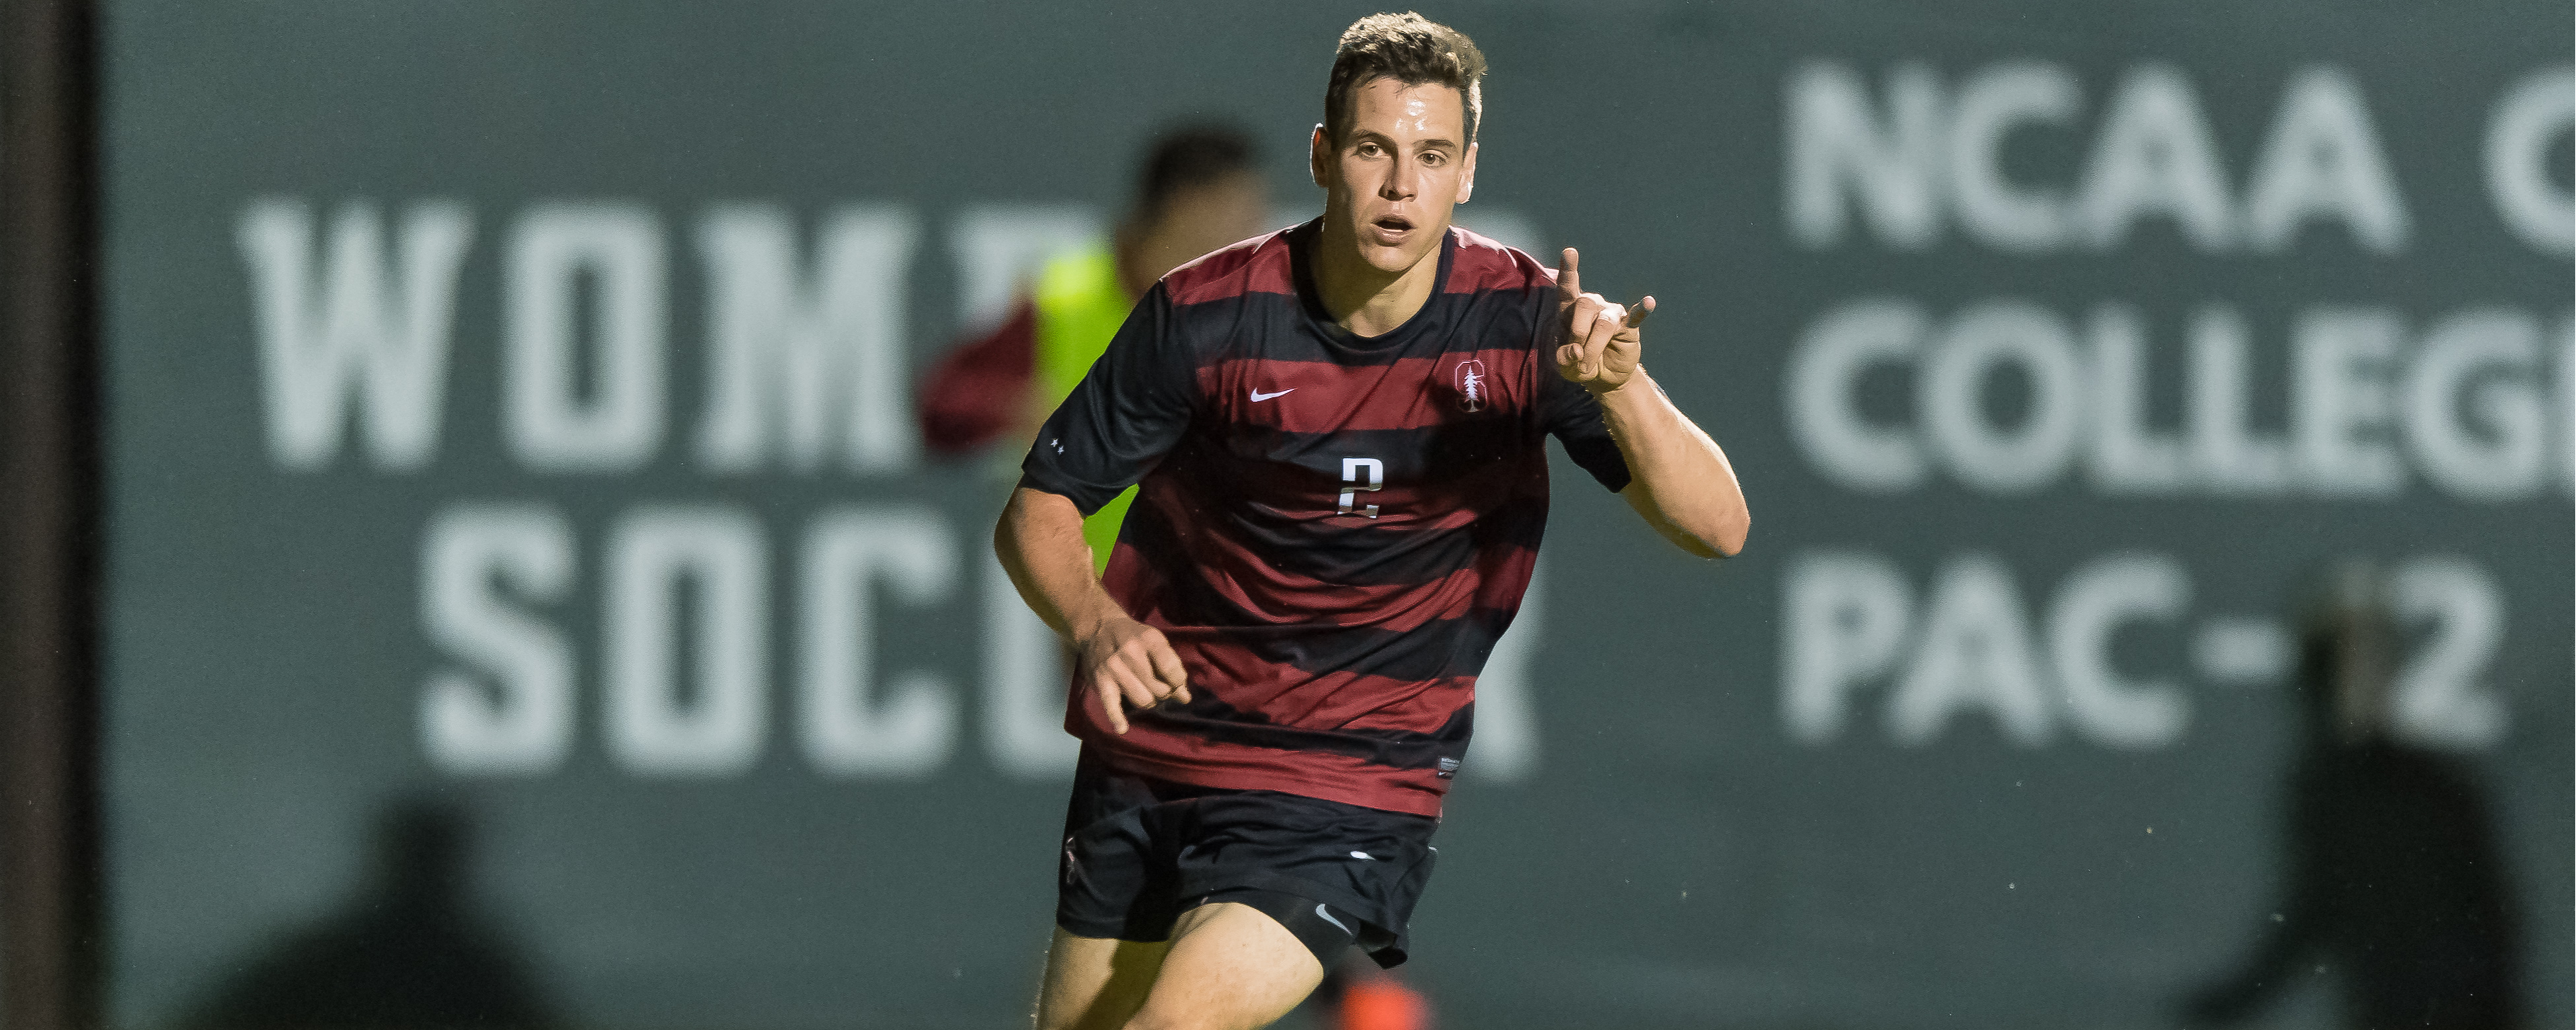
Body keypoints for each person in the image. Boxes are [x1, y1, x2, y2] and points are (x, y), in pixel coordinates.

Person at [993, 12, 1750, 1027]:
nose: (1401, 185)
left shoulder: (1526, 328)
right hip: (1153, 756)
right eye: (1373, 150)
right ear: (1321, 155)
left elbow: (1719, 527)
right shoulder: (1203, 315)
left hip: (1348, 778)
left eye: (1432, 155)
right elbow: (1039, 505)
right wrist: (1096, 624)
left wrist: (1623, 389)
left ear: (1467, 171)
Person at [2179, 563, 2523, 1030]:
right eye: (2346, 656)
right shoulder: (2325, 790)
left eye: (2375, 654)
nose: (2366, 672)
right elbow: (2312, 912)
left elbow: (2489, 931)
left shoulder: (2441, 790)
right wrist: (2229, 1001)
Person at [919, 126, 1270, 572]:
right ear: (1191, 207)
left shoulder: (1255, 310)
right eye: (1243, 214)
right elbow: (939, 404)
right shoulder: (1064, 300)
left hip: (1223, 606)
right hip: (1097, 610)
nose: (1258, 233)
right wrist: (1015, 409)